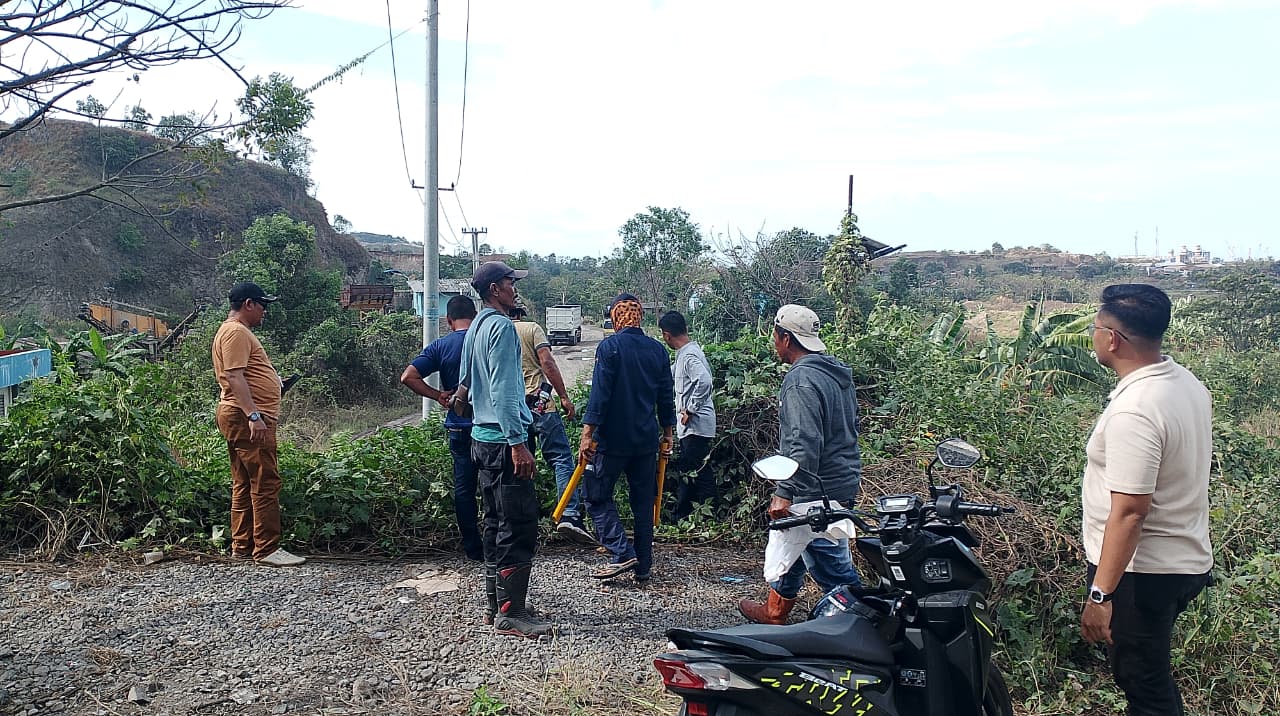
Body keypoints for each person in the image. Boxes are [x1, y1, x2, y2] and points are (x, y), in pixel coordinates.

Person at [1080, 284, 1213, 716]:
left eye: (1095, 327)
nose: (1093, 335)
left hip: (1142, 572)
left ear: (1112, 339)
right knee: (1152, 678)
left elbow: (1130, 512)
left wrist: (1101, 595)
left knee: (1145, 688)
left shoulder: (1135, 410)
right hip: (1182, 559)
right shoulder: (1185, 383)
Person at [738, 304, 863, 624]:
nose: (774, 342)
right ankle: (774, 611)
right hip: (840, 479)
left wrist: (785, 491)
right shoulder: (834, 373)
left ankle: (867, 623)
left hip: (816, 487)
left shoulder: (800, 380)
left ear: (786, 338)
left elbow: (803, 442)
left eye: (775, 336)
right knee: (794, 541)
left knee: (832, 569)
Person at [459, 261, 552, 638]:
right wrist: (518, 442)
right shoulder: (501, 328)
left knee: (495, 522)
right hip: (503, 441)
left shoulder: (477, 326)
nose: (515, 288)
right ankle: (511, 614)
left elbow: (465, 383)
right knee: (518, 525)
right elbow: (503, 389)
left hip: (482, 439)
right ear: (495, 289)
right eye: (511, 283)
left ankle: (496, 605)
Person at [579, 293, 676, 582]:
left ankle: (622, 552)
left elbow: (600, 395)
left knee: (595, 495)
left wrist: (587, 433)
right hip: (645, 441)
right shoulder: (657, 351)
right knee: (643, 503)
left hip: (612, 440)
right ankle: (643, 567)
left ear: (615, 318)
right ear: (639, 317)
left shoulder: (610, 347)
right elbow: (666, 397)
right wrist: (668, 433)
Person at [212, 281, 305, 567]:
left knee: (244, 481)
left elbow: (243, 375)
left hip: (239, 415)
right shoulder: (236, 332)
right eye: (262, 305)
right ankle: (266, 549)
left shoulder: (233, 332)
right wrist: (254, 415)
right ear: (248, 304)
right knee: (265, 480)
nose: (265, 311)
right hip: (248, 417)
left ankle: (242, 546)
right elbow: (234, 376)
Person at [400, 295, 483, 562]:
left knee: (464, 489)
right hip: (489, 426)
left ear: (449, 321)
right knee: (495, 484)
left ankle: (473, 548)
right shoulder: (486, 341)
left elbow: (408, 376)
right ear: (476, 316)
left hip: (458, 426)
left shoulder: (440, 346)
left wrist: (438, 396)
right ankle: (498, 542)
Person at [509, 305, 594, 544]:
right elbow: (547, 362)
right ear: (521, 313)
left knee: (520, 463)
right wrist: (564, 397)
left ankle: (523, 520)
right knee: (561, 458)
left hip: (513, 410)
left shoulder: (497, 330)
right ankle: (568, 514)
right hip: (541, 406)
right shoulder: (531, 329)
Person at [658, 310, 717, 520]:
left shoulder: (689, 356)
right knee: (697, 469)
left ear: (666, 335)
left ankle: (684, 515)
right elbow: (670, 374)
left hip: (696, 425)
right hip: (695, 427)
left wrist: (690, 409)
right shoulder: (686, 353)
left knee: (692, 471)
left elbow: (705, 381)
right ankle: (701, 515)